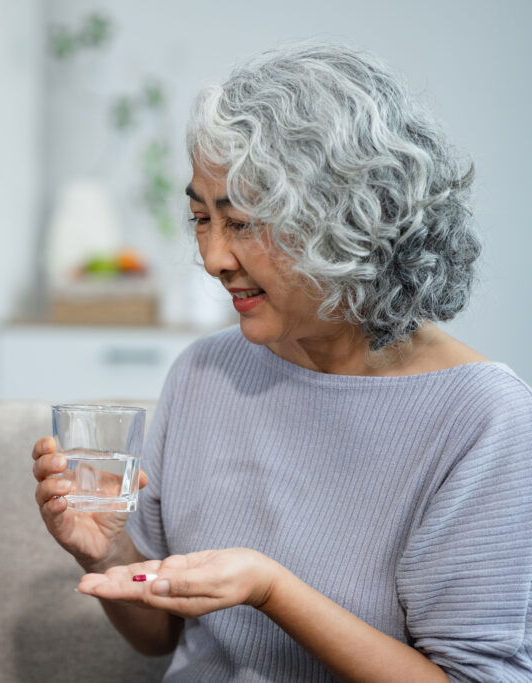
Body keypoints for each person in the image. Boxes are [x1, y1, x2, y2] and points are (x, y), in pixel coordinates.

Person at [32, 42, 532, 681]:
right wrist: (108, 553)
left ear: (347, 223)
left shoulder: (483, 419)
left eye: (241, 224)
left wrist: (273, 590)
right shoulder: (206, 373)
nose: (213, 257)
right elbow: (159, 637)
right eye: (199, 218)